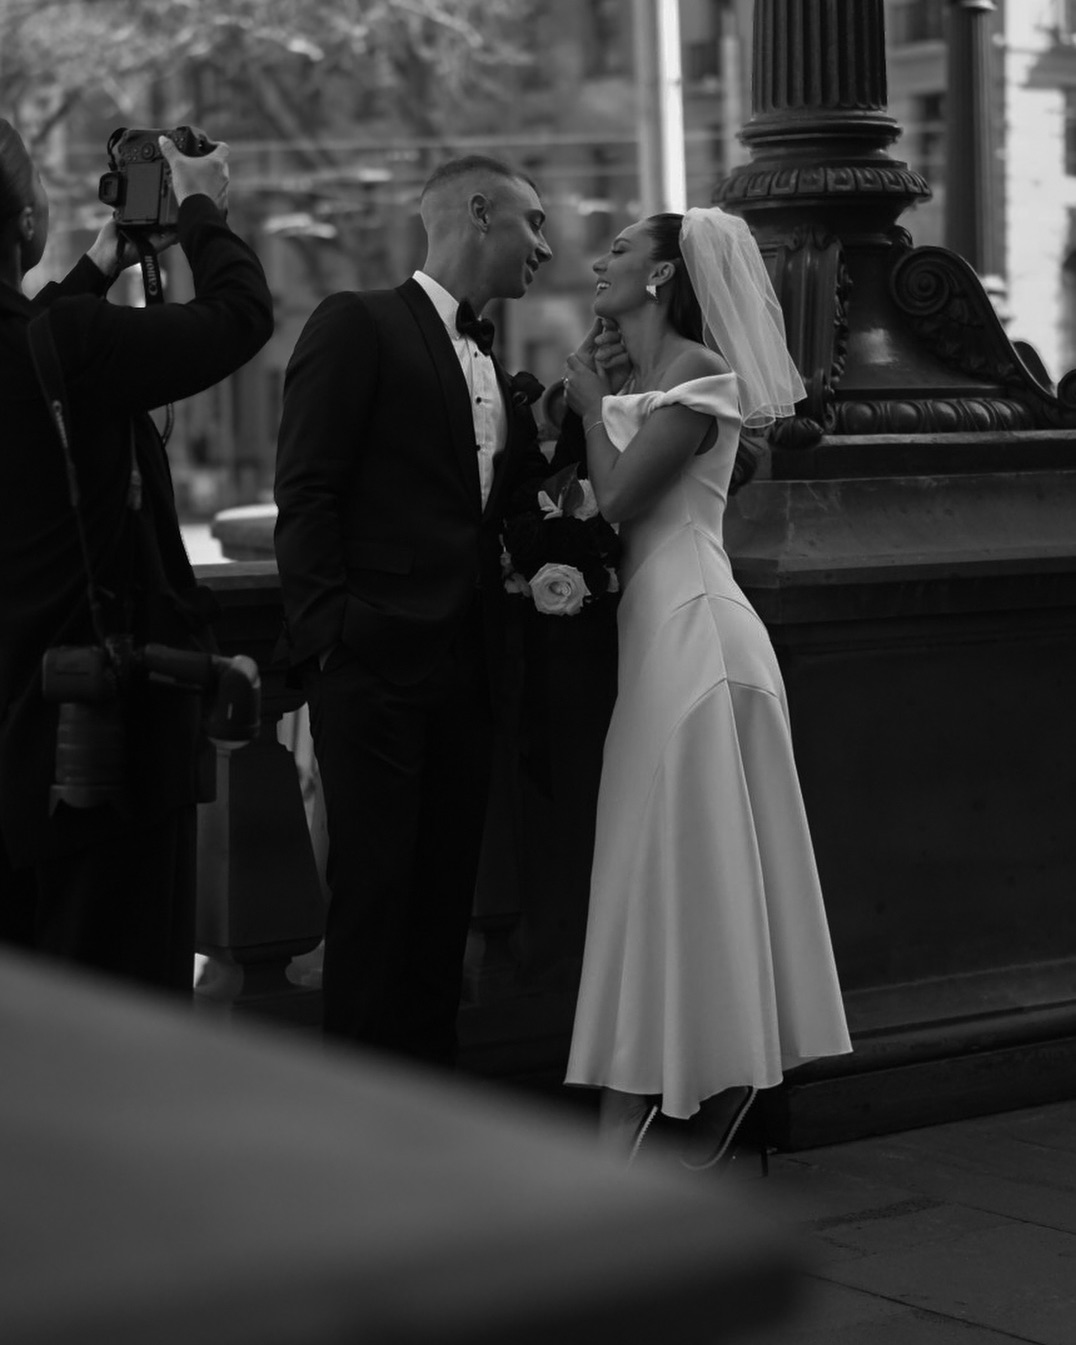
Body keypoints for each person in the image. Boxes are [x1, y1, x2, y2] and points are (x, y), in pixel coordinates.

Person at [561, 207, 852, 1165]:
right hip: (657, 633)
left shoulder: (696, 373)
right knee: (667, 869)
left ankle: (656, 1132)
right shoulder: (645, 377)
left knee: (674, 870)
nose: (600, 261)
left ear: (661, 277)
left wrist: (579, 400)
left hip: (696, 637)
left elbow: (615, 501)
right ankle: (679, 1125)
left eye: (619, 252)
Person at [273, 155, 553, 1066]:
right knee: (373, 901)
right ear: (479, 212)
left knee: (444, 904)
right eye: (533, 222)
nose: (545, 246)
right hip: (372, 671)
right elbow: (307, 491)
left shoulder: (495, 361)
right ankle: (355, 1125)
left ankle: (431, 1115)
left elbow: (491, 506)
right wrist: (333, 644)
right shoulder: (360, 323)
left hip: (467, 670)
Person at [0, 120, 273, 990]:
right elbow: (237, 318)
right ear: (27, 225)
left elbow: (40, 339)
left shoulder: (47, 344)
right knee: (115, 1015)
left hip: (11, 746)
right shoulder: (72, 346)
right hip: (92, 756)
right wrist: (201, 208)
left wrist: (99, 265)